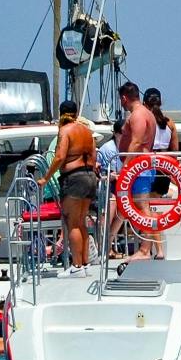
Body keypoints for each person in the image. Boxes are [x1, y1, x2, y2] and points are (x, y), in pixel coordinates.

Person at [50, 99, 100, 268]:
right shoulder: (87, 132)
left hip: (74, 178)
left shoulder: (65, 130)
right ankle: (84, 263)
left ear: (60, 113)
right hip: (90, 177)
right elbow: (94, 158)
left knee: (72, 223)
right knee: (81, 222)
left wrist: (45, 177)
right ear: (77, 113)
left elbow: (59, 157)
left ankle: (77, 266)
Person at [141, 87, 180, 153]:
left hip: (147, 160)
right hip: (165, 161)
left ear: (144, 104)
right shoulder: (170, 123)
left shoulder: (143, 122)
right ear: (160, 103)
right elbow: (175, 149)